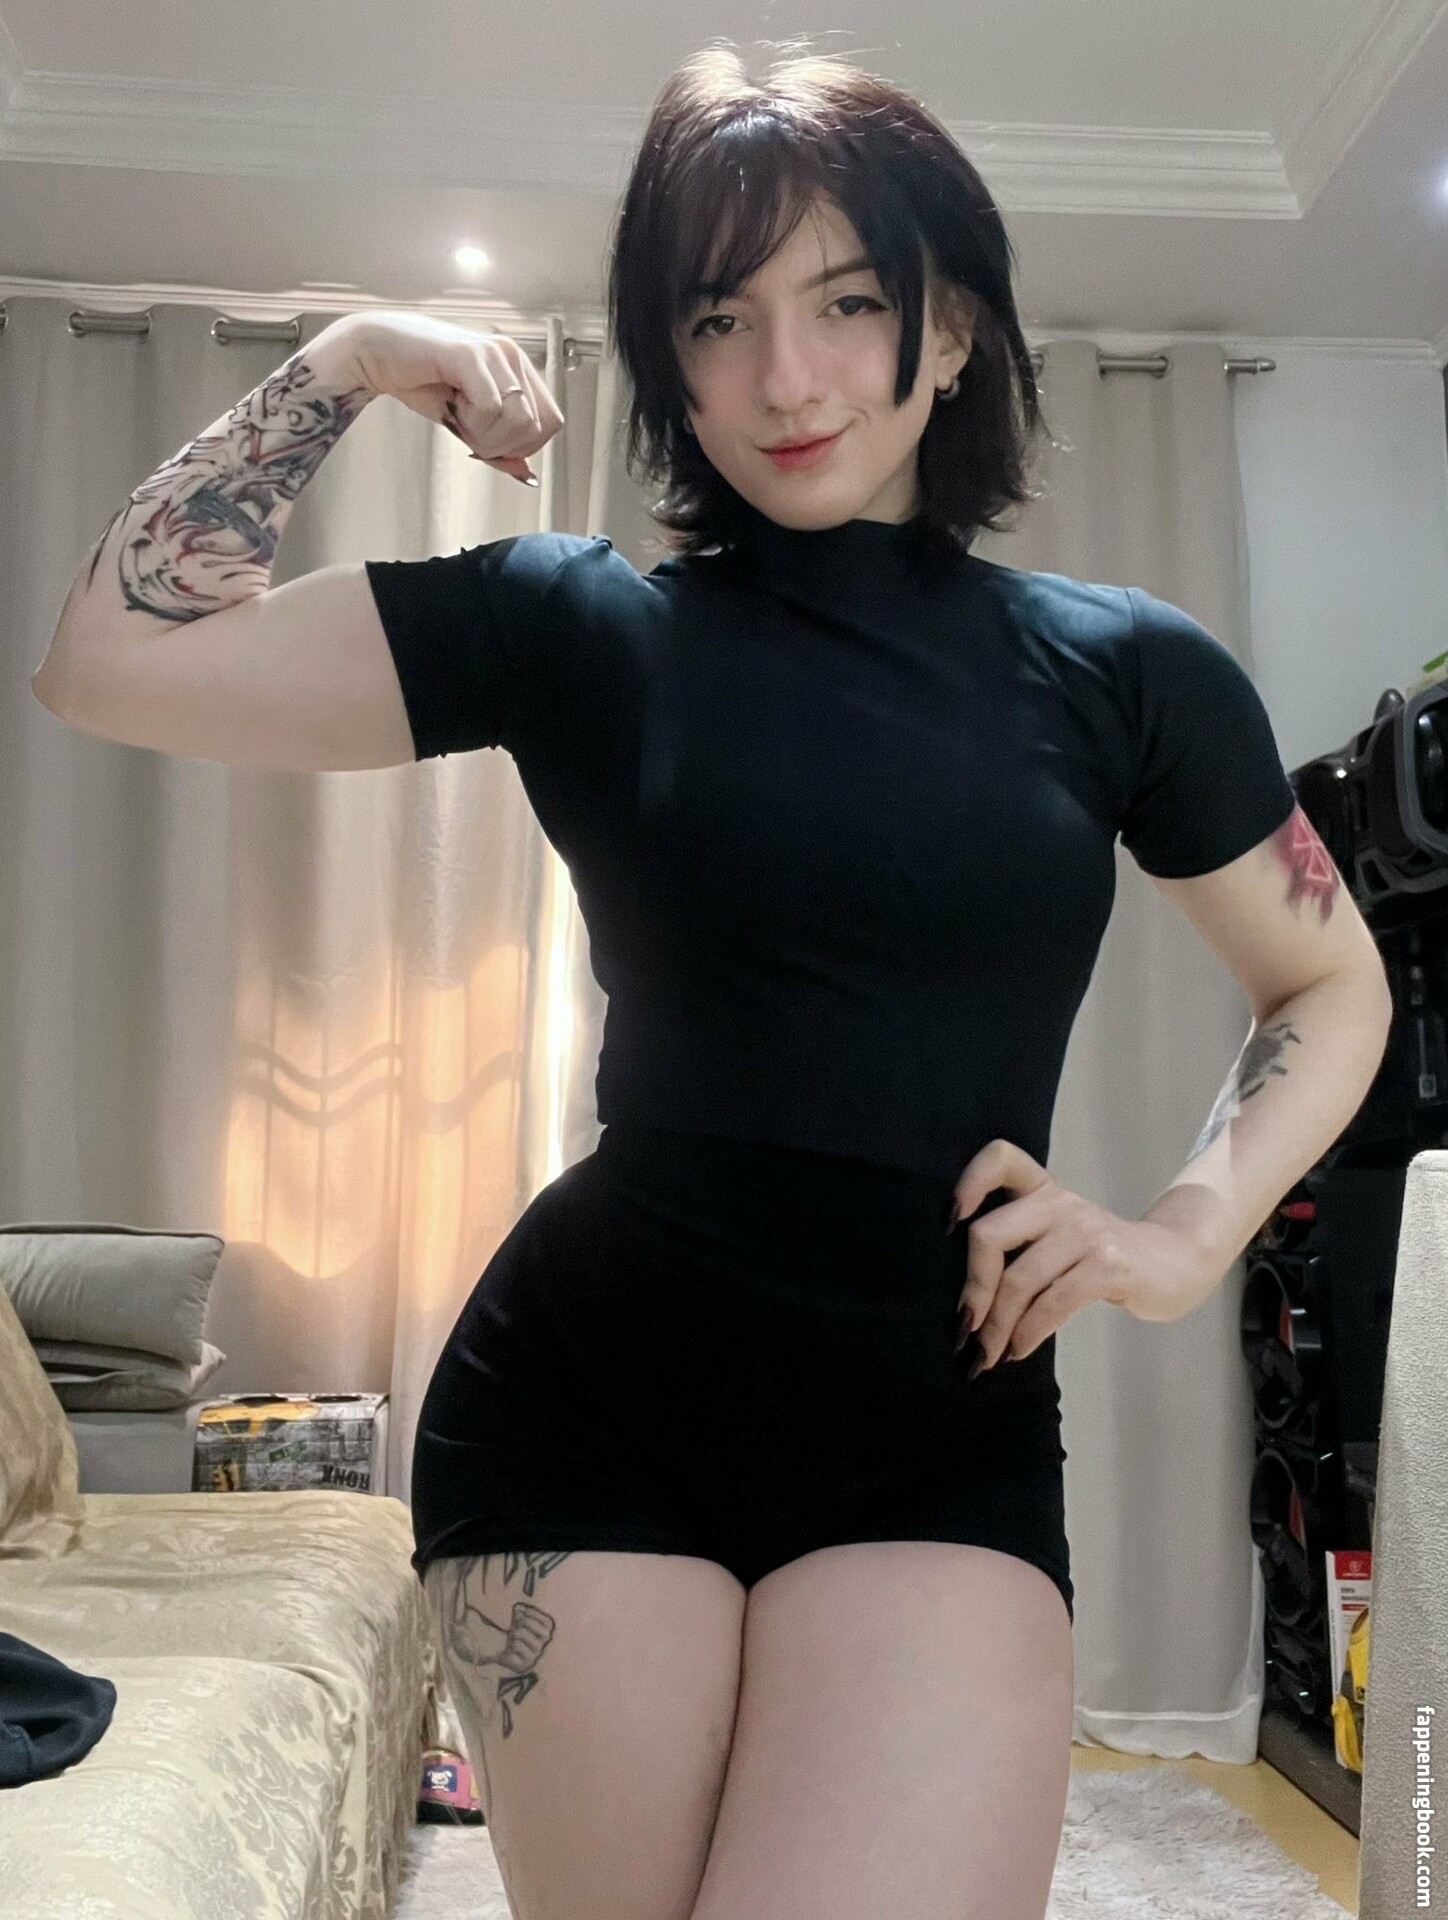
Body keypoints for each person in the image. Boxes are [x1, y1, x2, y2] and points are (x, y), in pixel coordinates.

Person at [33, 44, 1343, 1920]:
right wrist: (351, 360)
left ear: (953, 331)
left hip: (935, 1423)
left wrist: (1182, 1237)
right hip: (584, 1409)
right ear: (669, 359)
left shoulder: (1130, 672)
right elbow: (111, 658)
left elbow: (1329, 986)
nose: (786, 377)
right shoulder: (576, 625)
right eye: (719, 319)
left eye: (849, 303)